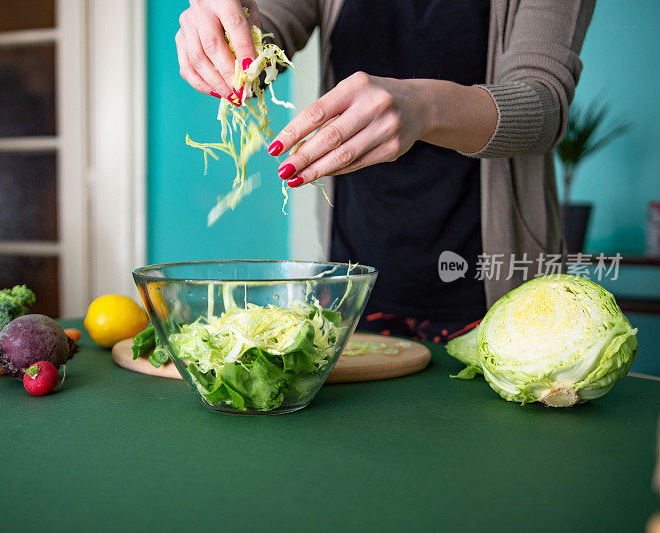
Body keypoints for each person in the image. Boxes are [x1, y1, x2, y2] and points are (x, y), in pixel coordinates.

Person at [175, 0, 594, 342]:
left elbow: (543, 103)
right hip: (353, 281)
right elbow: (268, 32)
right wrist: (226, 32)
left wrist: (422, 106)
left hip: (491, 287)